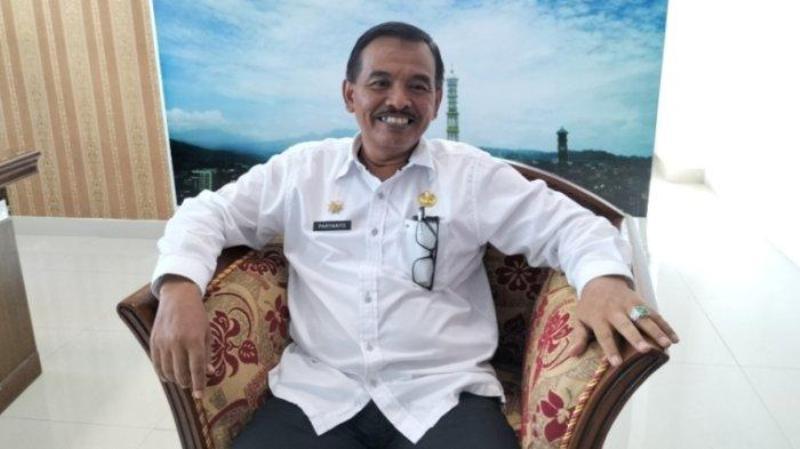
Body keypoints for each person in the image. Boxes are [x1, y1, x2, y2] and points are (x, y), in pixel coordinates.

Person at [149, 21, 679, 449]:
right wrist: (178, 287)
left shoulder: (470, 176)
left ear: (436, 99)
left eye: (418, 86)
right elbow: (206, 213)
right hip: (318, 391)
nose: (398, 100)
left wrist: (604, 280)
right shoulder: (301, 172)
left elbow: (572, 223)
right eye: (380, 82)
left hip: (444, 395)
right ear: (350, 94)